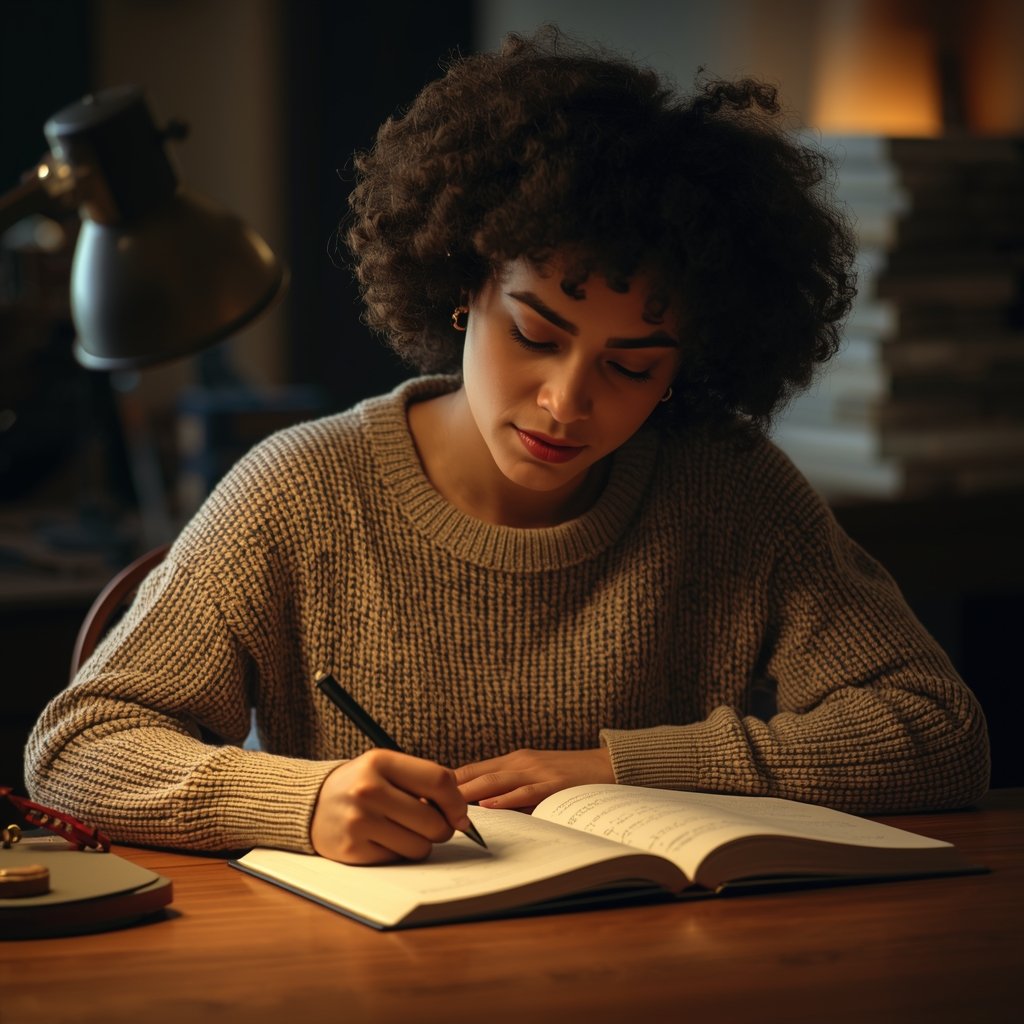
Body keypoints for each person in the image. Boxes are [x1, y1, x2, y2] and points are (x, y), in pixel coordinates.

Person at [26, 29, 989, 865]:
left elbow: (938, 734)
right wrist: (303, 803)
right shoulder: (302, 490)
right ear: (463, 283)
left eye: (634, 366)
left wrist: (624, 765)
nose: (567, 402)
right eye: (535, 335)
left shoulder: (729, 489)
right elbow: (79, 747)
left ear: (695, 362)